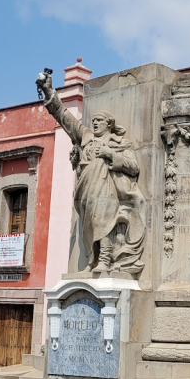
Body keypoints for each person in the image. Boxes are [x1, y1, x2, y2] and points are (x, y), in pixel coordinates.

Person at [37, 71, 145, 275]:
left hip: (106, 189)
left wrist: (111, 155)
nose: (94, 123)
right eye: (93, 120)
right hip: (86, 191)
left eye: (99, 120)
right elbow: (64, 117)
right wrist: (48, 91)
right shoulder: (85, 137)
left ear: (109, 124)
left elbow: (133, 166)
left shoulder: (119, 142)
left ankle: (105, 259)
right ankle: (93, 260)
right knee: (89, 226)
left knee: (103, 222)